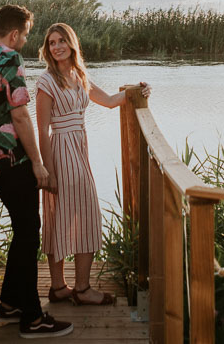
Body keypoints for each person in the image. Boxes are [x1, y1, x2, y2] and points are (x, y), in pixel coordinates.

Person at [0, 5, 73, 338]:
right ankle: (32, 318)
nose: (25, 41)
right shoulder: (10, 59)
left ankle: (9, 305)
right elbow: (21, 115)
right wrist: (39, 163)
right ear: (14, 34)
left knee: (23, 231)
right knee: (29, 234)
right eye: (25, 35)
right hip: (13, 161)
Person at [36, 22, 151, 305]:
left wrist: (137, 90)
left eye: (62, 40)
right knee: (66, 215)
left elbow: (111, 101)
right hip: (61, 151)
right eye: (52, 43)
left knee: (75, 215)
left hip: (80, 148)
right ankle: (73, 288)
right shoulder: (46, 81)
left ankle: (67, 288)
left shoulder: (79, 75)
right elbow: (41, 130)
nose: (57, 46)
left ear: (72, 43)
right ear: (47, 49)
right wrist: (47, 170)